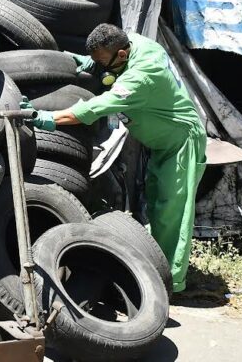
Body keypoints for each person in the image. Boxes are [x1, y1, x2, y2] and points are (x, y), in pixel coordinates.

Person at [21, 24, 207, 293]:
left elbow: (94, 108)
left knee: (172, 210)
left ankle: (171, 285)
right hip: (161, 142)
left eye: (101, 60)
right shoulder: (133, 44)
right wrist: (91, 63)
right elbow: (104, 61)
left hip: (180, 142)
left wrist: (48, 118)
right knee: (156, 203)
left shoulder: (141, 76)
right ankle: (156, 265)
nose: (99, 66)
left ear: (121, 54)